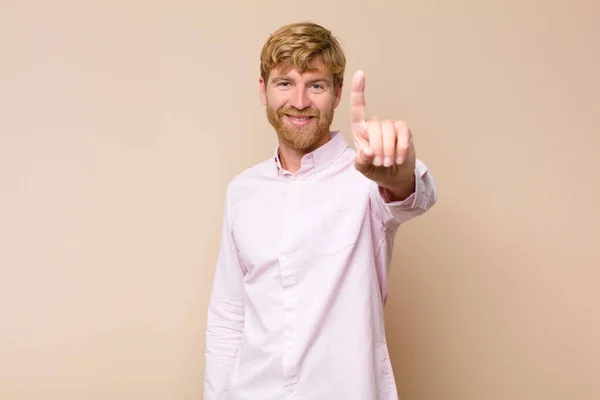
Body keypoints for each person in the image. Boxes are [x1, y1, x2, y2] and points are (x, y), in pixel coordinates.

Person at [204, 21, 437, 400]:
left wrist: (401, 171)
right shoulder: (241, 191)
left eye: (316, 85)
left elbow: (414, 195)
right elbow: (229, 315)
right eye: (284, 83)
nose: (299, 101)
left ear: (337, 93)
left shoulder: (367, 178)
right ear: (263, 90)